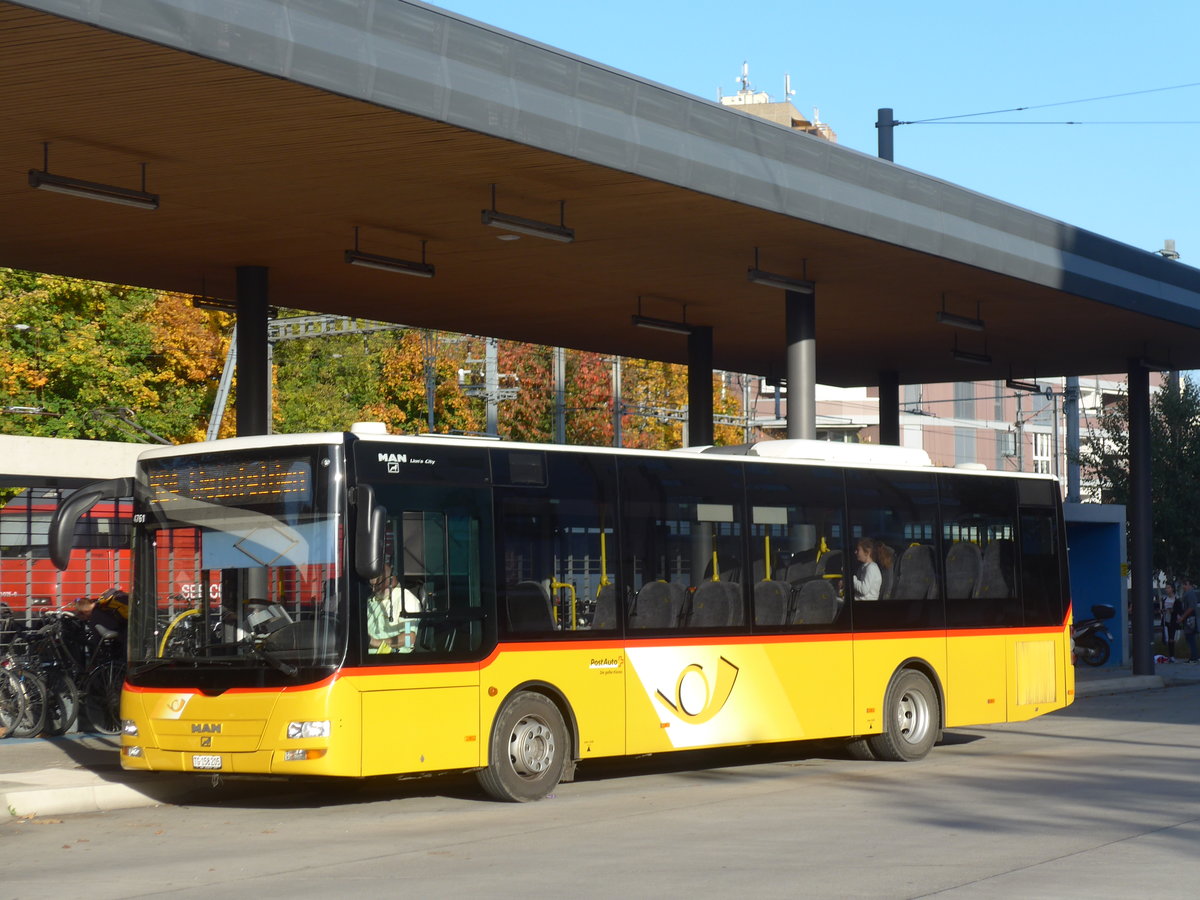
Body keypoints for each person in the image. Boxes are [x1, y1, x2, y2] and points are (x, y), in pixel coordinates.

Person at [367, 564, 421, 654]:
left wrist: (375, 642)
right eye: (371, 586)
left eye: (377, 585)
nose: (373, 589)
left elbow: (409, 639)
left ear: (391, 580)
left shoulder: (405, 599)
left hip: (391, 660)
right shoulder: (371, 600)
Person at [1178, 578, 1199, 664]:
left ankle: (1194, 657)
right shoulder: (1188, 594)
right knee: (1189, 638)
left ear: (1188, 584)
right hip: (1189, 619)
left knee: (1190, 638)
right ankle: (1194, 656)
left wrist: (1183, 617)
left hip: (1190, 619)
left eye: (1184, 585)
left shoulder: (1190, 594)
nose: (1183, 587)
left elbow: (1191, 607)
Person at [1161, 583, 1181, 662]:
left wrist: (1173, 611)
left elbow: (1180, 610)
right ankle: (1170, 655)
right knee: (1167, 638)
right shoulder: (1164, 599)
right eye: (1166, 588)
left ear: (1172, 589)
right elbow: (1162, 609)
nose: (1167, 589)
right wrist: (1163, 611)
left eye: (1168, 588)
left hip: (1174, 621)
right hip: (1166, 620)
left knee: (1172, 638)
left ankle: (1172, 656)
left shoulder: (1176, 599)